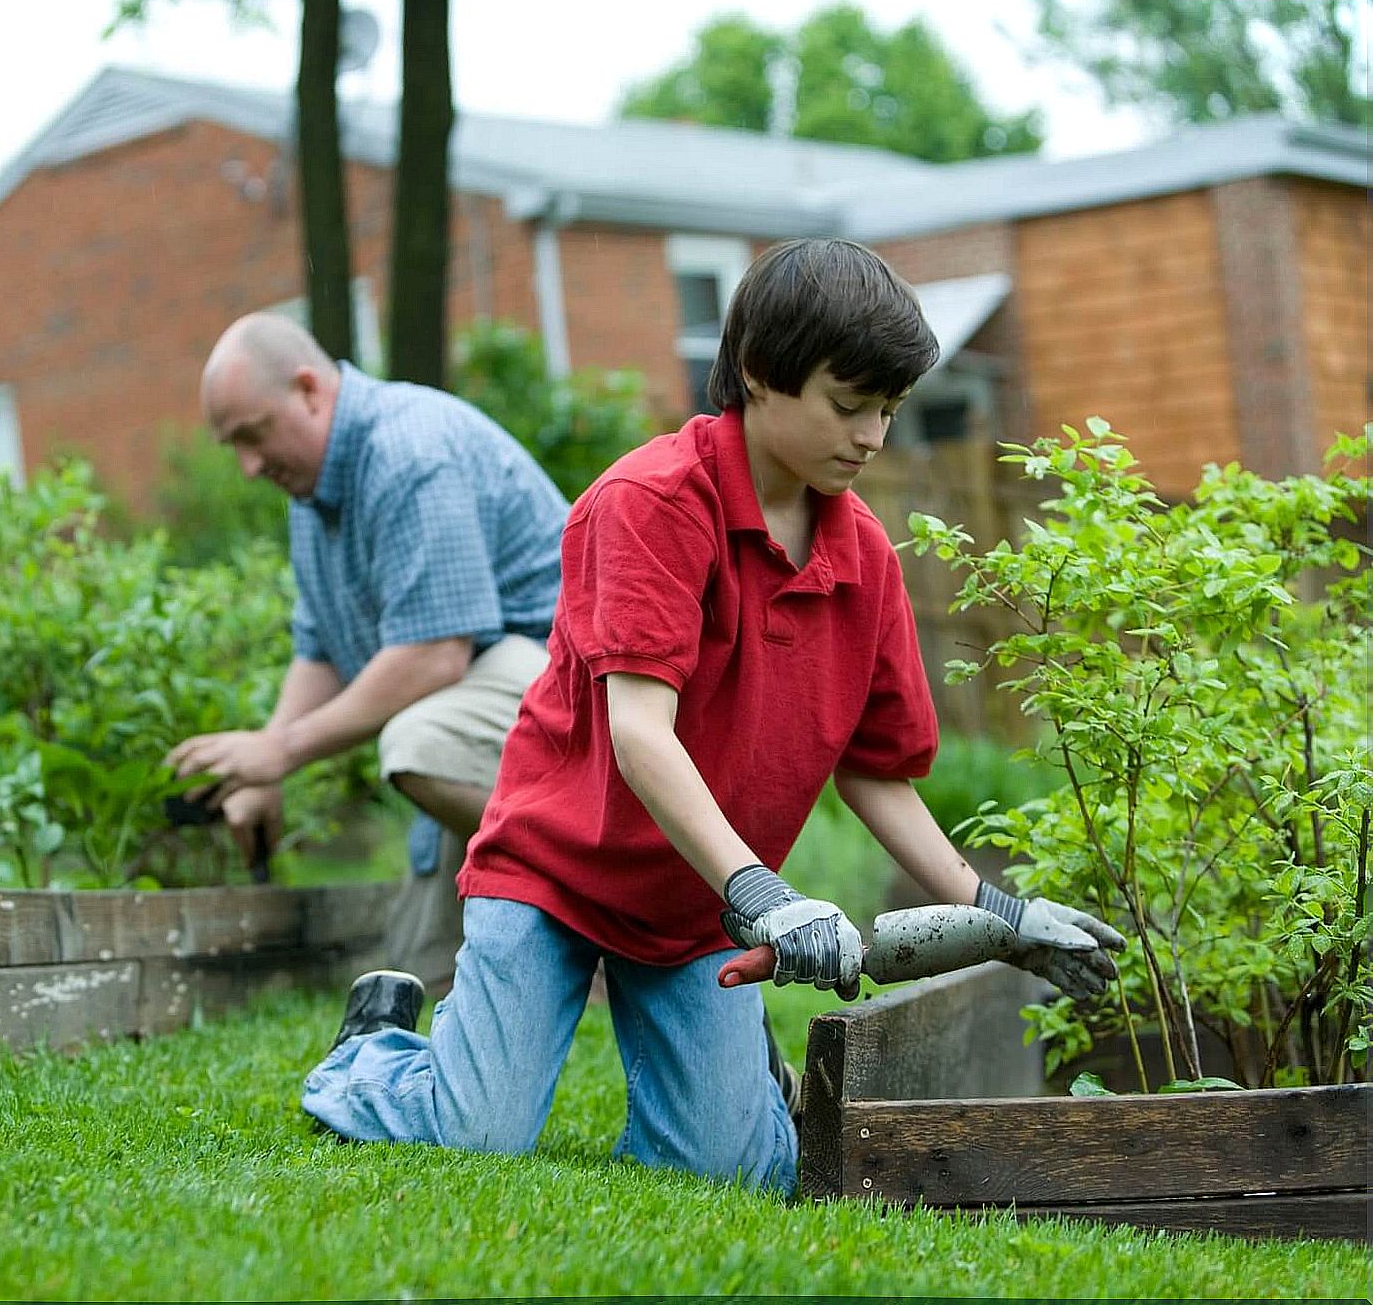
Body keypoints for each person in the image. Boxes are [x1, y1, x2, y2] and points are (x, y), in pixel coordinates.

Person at [299, 239, 1127, 1193]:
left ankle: (733, 1091)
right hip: (556, 873)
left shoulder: (864, 559)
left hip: (696, 907)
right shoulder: (650, 503)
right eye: (847, 403)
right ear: (761, 376)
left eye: (889, 410)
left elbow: (874, 768)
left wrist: (997, 914)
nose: (871, 436)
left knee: (731, 1170)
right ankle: (375, 1055)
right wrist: (765, 894)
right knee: (475, 1137)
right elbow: (640, 730)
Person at [165, 313, 571, 993]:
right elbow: (320, 644)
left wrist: (286, 749)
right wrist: (263, 764)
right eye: (232, 446)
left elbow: (436, 653)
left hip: (571, 687)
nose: (248, 465)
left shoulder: (406, 454)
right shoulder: (315, 492)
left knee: (421, 742)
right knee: (416, 975)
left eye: (253, 435)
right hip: (486, 708)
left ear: (309, 391)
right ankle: (542, 936)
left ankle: (605, 900)